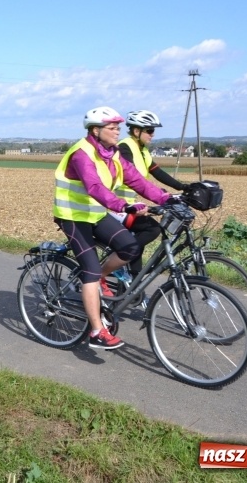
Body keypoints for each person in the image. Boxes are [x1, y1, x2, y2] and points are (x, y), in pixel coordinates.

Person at [53, 106, 171, 350]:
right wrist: (123, 206)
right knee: (91, 270)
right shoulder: (81, 153)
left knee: (129, 247)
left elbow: (136, 180)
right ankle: (97, 331)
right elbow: (94, 187)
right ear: (96, 130)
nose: (118, 131)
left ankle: (101, 280)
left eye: (118, 127)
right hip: (73, 217)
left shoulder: (112, 153)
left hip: (95, 214)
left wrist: (166, 199)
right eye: (112, 127)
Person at [115, 110, 186, 279]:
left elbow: (157, 172)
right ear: (136, 131)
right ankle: (118, 261)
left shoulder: (142, 150)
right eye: (149, 130)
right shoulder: (125, 148)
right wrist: (161, 195)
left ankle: (132, 280)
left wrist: (183, 187)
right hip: (117, 205)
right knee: (151, 229)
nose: (153, 134)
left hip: (130, 205)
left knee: (140, 238)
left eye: (153, 130)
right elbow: (135, 178)